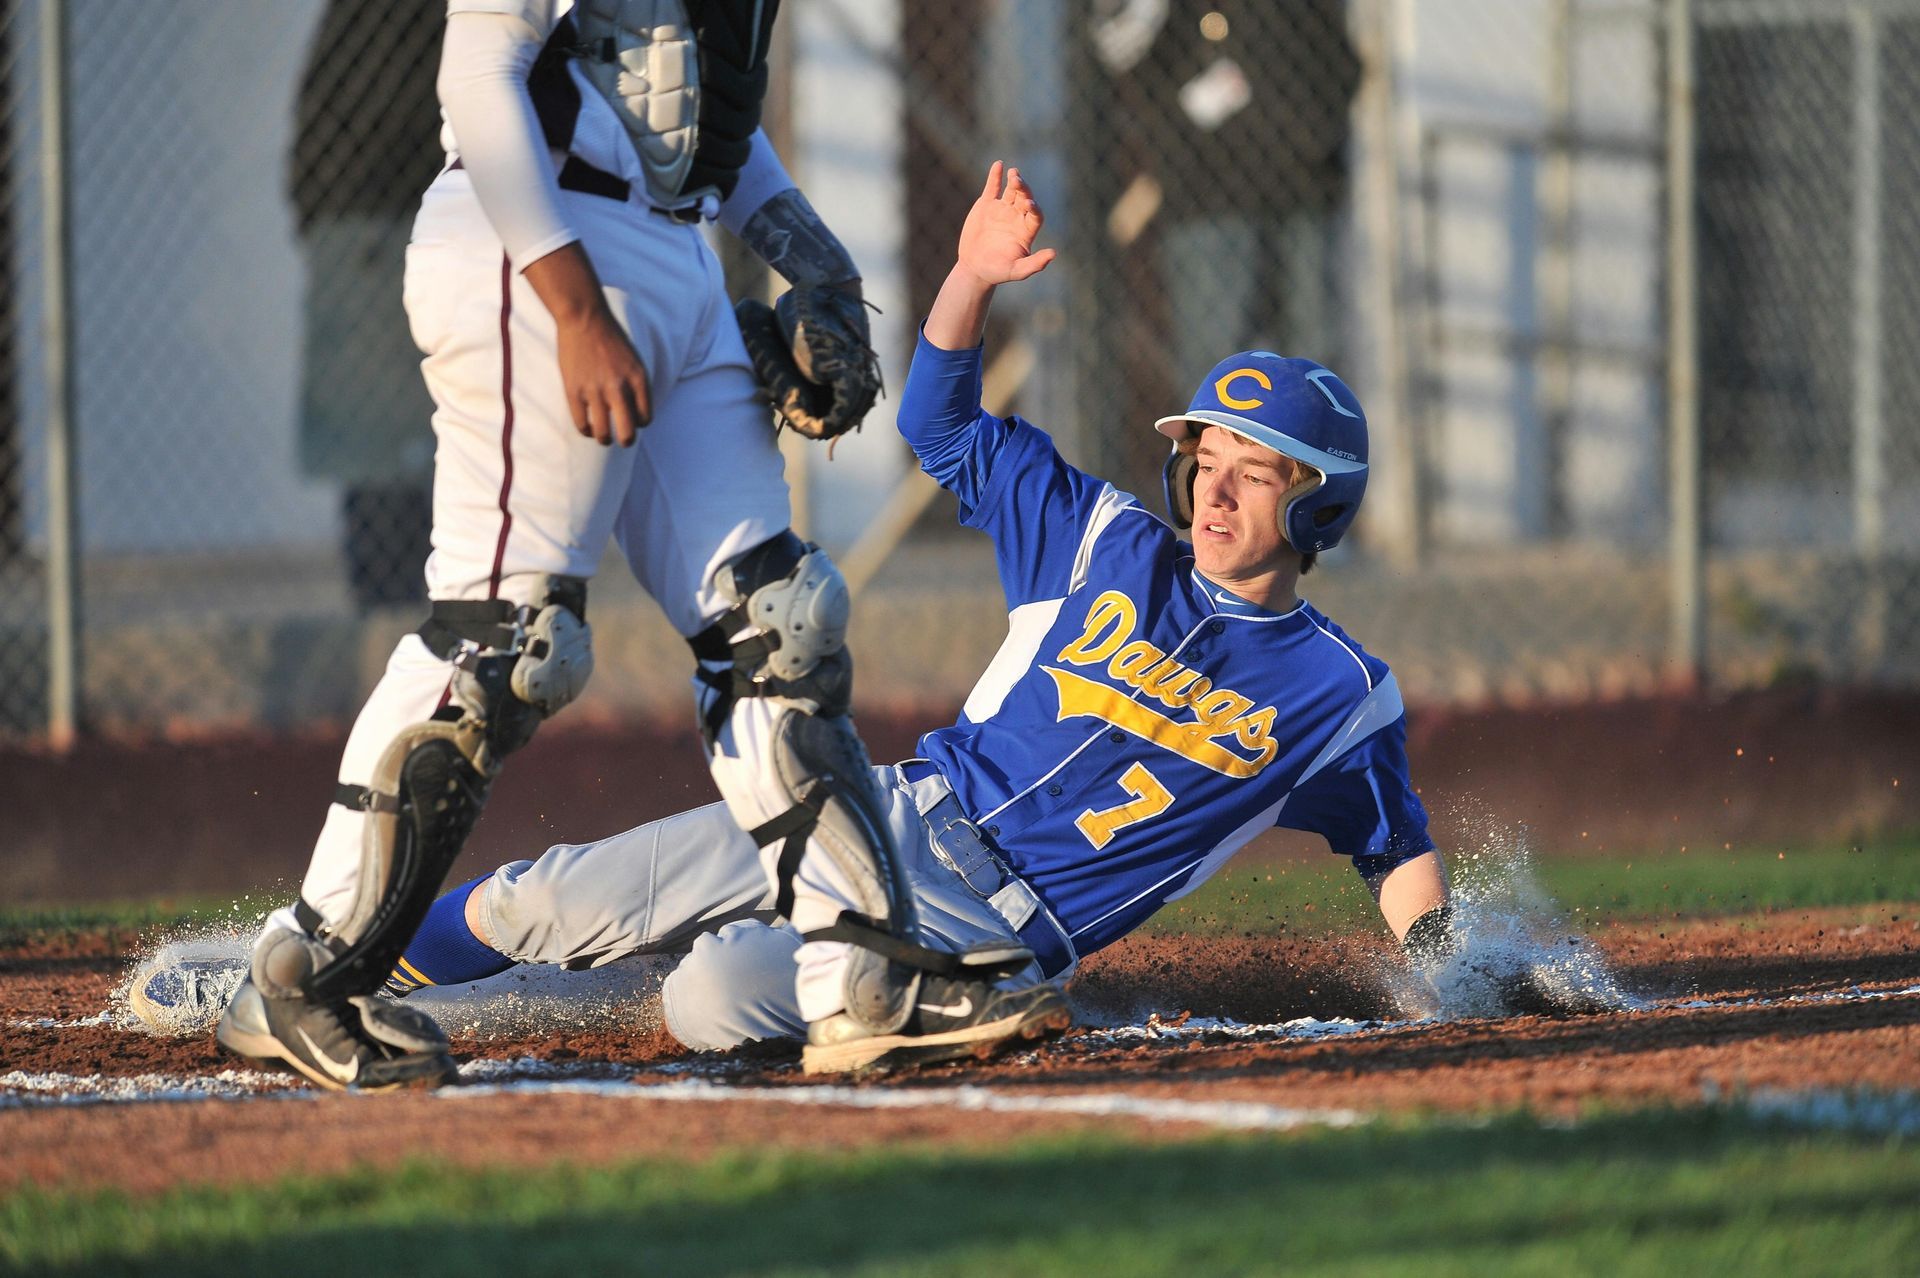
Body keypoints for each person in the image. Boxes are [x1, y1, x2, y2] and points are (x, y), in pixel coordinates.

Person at [139, 161, 1455, 1065]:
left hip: (985, 935)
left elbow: (1392, 843)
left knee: (714, 995)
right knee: (541, 895)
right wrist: (969, 273)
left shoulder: (1338, 689)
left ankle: (514, 1013)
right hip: (872, 816)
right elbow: (940, 418)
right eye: (1207, 459)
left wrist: (1455, 957)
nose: (1215, 491)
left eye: (1256, 472)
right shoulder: (1106, 538)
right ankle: (316, 959)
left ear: (1319, 508)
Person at [198, 3, 1068, 1093]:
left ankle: (863, 979)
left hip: (675, 251)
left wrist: (818, 263)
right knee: (503, 642)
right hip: (534, 241)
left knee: (777, 624)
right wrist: (571, 307)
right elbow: (478, 74)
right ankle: (307, 974)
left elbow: (700, 109)